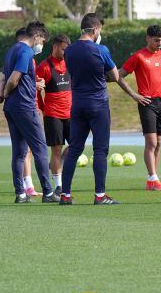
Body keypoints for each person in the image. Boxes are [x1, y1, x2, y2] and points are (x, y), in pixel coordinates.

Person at [58, 13, 143, 205]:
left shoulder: (69, 51)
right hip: (98, 104)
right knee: (100, 151)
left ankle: (65, 195)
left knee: (74, 150)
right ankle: (99, 195)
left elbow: (72, 74)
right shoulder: (101, 50)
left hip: (77, 104)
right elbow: (114, 75)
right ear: (95, 30)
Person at [0, 22, 57, 203]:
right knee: (40, 149)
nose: (41, 45)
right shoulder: (26, 51)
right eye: (42, 40)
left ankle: (20, 193)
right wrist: (7, 93)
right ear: (36, 37)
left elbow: (2, 77)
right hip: (25, 107)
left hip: (11, 108)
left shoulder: (12, 50)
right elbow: (12, 79)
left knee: (19, 151)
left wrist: (1, 97)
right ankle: (48, 193)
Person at [119, 25, 161, 191]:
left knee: (158, 142)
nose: (159, 43)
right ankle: (153, 179)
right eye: (156, 40)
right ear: (148, 38)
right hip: (147, 103)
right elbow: (119, 76)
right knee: (150, 142)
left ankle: (153, 179)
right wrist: (134, 95)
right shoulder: (138, 56)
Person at [36, 34, 71, 194]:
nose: (65, 53)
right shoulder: (44, 66)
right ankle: (59, 185)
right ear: (55, 47)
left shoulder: (70, 63)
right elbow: (36, 90)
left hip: (71, 114)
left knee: (77, 144)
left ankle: (59, 164)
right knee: (56, 150)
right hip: (53, 115)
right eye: (63, 49)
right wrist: (43, 108)